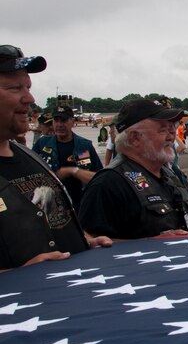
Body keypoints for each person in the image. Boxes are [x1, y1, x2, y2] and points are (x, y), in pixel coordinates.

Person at [0, 45, 111, 270]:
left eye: (28, 87)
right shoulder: (41, 147)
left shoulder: (30, 156)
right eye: (15, 88)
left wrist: (83, 239)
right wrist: (11, 274)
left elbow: (54, 218)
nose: (30, 98)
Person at [79, 99, 188, 239]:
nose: (172, 136)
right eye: (163, 129)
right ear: (135, 138)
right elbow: (91, 245)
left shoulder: (166, 173)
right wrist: (152, 243)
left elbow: (170, 225)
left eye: (172, 128)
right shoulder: (108, 184)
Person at [32, 105, 103, 210]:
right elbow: (30, 172)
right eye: (56, 120)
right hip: (51, 206)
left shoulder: (84, 146)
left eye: (64, 120)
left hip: (80, 206)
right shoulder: (42, 144)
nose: (59, 125)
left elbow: (99, 178)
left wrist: (73, 171)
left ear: (72, 122)